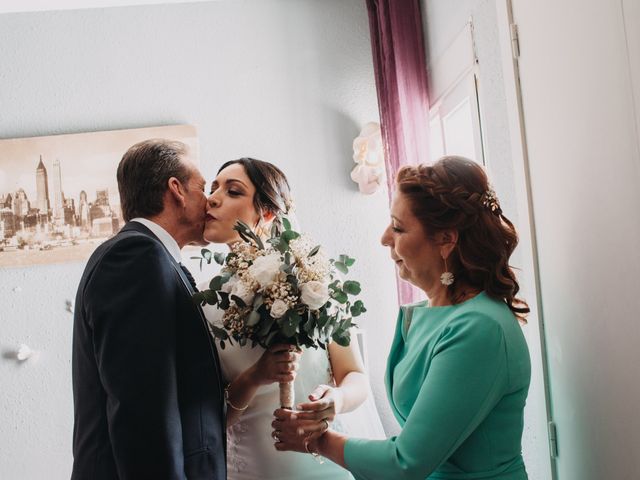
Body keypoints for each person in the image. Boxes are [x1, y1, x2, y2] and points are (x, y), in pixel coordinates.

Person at [274, 155, 532, 480]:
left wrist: (316, 440)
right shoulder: (428, 315)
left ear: (446, 239)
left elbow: (405, 462)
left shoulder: (480, 328)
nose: (384, 238)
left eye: (398, 227)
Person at [200, 157, 385, 480]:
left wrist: (336, 401)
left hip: (325, 467)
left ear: (267, 213)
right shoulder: (204, 302)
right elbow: (206, 417)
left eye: (232, 191)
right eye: (213, 188)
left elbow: (354, 374)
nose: (212, 198)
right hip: (252, 471)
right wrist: (256, 376)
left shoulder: (313, 282)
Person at [71, 139, 226, 480]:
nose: (211, 200)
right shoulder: (137, 257)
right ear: (176, 190)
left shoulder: (149, 254)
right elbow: (144, 412)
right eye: (202, 187)